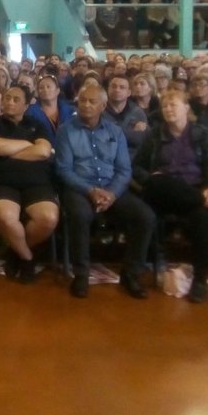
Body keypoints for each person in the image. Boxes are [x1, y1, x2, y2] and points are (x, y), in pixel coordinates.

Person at [55, 82, 155, 299]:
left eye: (92, 101)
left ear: (103, 106)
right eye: (82, 100)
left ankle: (131, 274)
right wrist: (91, 190)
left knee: (145, 217)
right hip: (80, 187)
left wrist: (111, 193)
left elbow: (124, 169)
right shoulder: (66, 130)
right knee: (80, 215)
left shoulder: (115, 131)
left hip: (111, 188)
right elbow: (64, 170)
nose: (86, 105)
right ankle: (81, 274)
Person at [132, 89, 208, 304]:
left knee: (205, 218)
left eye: (173, 105)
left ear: (186, 108)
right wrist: (149, 178)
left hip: (194, 191)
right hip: (163, 193)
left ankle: (199, 279)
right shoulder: (154, 135)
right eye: (165, 106)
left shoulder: (201, 133)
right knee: (159, 181)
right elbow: (136, 167)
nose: (168, 109)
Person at [0, 85, 59, 283]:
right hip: (0, 181)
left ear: (26, 104)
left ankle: (15, 252)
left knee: (48, 218)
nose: (9, 102)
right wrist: (28, 145)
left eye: (16, 99)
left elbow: (43, 152)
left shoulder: (38, 125)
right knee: (7, 218)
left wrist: (10, 151)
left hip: (36, 182)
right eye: (7, 98)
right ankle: (27, 258)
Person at [24, 74, 73, 146]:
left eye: (48, 87)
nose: (45, 89)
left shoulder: (70, 110)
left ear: (57, 90)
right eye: (41, 88)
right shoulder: (30, 113)